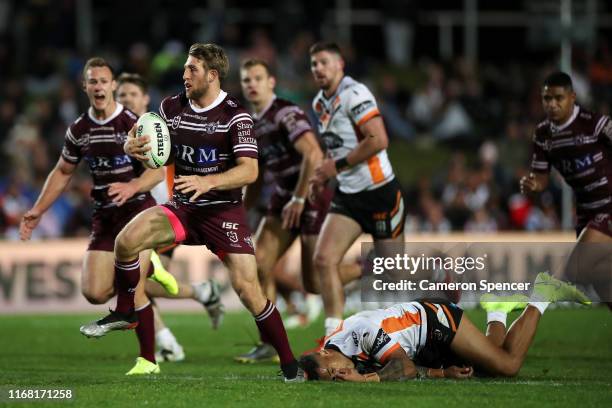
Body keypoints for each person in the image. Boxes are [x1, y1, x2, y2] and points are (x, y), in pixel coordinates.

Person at [83, 43, 303, 381]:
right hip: (183, 207)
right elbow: (159, 153)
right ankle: (126, 312)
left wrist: (208, 181)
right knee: (126, 242)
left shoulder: (236, 116)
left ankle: (290, 366)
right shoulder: (171, 106)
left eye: (192, 70)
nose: (185, 75)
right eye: (185, 69)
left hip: (223, 212)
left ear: (212, 75)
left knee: (249, 290)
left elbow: (249, 171)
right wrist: (132, 146)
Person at [19, 58, 169, 375]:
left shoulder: (133, 122)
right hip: (104, 216)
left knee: (133, 288)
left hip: (135, 213)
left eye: (104, 81)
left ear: (113, 85)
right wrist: (37, 210)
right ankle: (146, 268)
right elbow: (62, 172)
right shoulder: (79, 130)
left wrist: (132, 186)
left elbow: (156, 173)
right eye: (93, 81)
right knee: (94, 292)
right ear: (84, 86)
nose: (99, 86)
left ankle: (148, 361)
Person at [235, 59, 361, 363]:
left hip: (311, 195)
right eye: (246, 80)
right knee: (259, 265)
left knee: (314, 283)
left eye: (257, 78)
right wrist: (238, 211)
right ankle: (270, 342)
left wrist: (300, 198)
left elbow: (314, 154)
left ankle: (366, 268)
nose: (251, 84)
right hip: (281, 198)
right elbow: (257, 174)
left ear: (271, 82)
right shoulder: (250, 123)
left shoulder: (286, 113)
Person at [298, 272, 590, 381]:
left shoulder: (361, 332)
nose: (338, 373)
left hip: (434, 320)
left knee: (508, 365)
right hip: (421, 345)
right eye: (333, 378)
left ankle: (542, 293)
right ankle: (498, 311)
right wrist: (442, 373)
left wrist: (364, 381)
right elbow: (409, 365)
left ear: (323, 354)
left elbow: (405, 368)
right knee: (488, 368)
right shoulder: (339, 352)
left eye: (332, 370)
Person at [116, 72, 225, 362]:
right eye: (121, 96)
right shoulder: (126, 131)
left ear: (145, 99)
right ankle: (199, 296)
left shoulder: (158, 125)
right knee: (138, 283)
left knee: (133, 282)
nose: (126, 100)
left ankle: (169, 342)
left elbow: (157, 170)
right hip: (147, 215)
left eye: (131, 94)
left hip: (166, 213)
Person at [308, 42, 407, 335]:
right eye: (314, 64)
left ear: (341, 65)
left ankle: (439, 275)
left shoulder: (355, 93)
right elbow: (335, 148)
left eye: (324, 62)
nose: (318, 69)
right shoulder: (318, 103)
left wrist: (335, 168)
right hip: (349, 195)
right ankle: (334, 335)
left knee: (394, 275)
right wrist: (322, 176)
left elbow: (378, 139)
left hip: (380, 192)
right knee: (324, 260)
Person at [520, 71, 612, 308]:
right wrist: (532, 185)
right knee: (601, 282)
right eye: (546, 98)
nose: (552, 104)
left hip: (608, 204)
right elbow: (540, 179)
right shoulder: (543, 134)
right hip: (585, 212)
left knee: (577, 270)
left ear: (572, 97)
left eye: (558, 98)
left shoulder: (595, 124)